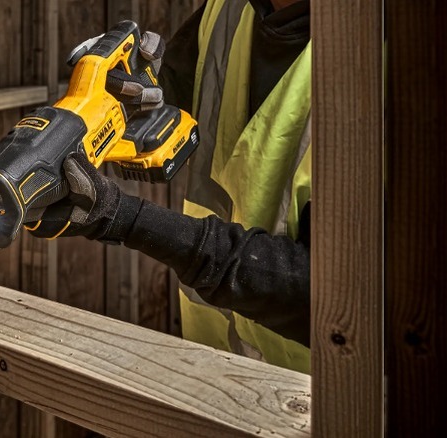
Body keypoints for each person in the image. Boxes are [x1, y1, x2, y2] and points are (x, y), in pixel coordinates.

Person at [29, 0, 312, 373]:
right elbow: (164, 101)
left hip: (315, 391)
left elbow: (324, 293)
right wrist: (111, 101)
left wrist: (123, 218)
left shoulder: (386, 48)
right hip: (212, 360)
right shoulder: (227, 11)